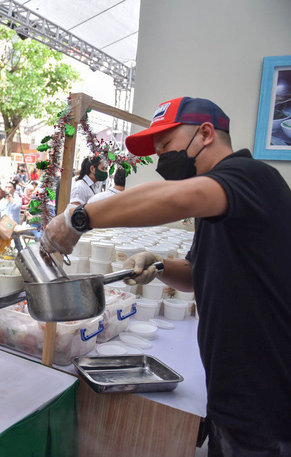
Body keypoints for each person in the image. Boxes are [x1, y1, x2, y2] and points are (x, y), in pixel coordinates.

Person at [42, 97, 291, 455]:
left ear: (205, 134)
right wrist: (159, 265)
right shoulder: (215, 205)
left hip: (266, 401)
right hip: (230, 389)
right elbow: (195, 275)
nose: (161, 160)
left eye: (167, 146)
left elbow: (176, 199)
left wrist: (77, 219)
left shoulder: (250, 178)